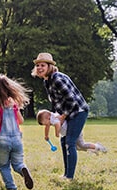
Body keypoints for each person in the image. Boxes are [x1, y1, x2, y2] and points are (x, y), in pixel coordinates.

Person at [31, 52, 89, 180]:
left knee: (70, 142)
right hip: (67, 112)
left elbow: (71, 100)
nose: (39, 68)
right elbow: (57, 102)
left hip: (78, 111)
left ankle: (70, 177)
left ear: (49, 66)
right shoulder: (47, 81)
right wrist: (56, 117)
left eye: (43, 65)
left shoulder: (57, 79)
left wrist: (63, 116)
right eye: (38, 65)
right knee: (63, 141)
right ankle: (66, 174)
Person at [36, 109, 107, 154]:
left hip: (75, 130)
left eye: (45, 123)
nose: (46, 125)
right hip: (71, 132)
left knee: (81, 145)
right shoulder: (50, 119)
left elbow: (57, 124)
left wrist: (57, 133)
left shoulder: (53, 118)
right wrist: (46, 135)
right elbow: (47, 127)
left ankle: (98, 147)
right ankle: (93, 149)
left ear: (48, 118)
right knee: (76, 147)